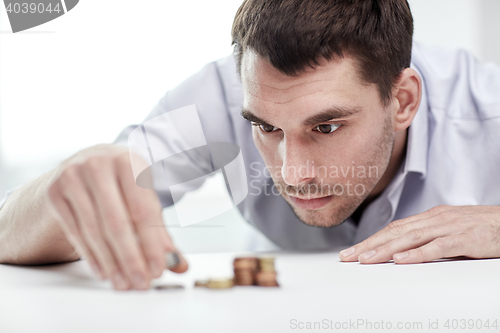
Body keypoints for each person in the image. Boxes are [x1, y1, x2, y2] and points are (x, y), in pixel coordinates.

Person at [1, 0, 499, 291]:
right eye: (266, 128)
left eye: (326, 128)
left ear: (404, 99)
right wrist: (64, 192)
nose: (294, 173)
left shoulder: (487, 107)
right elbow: (5, 231)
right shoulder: (223, 95)